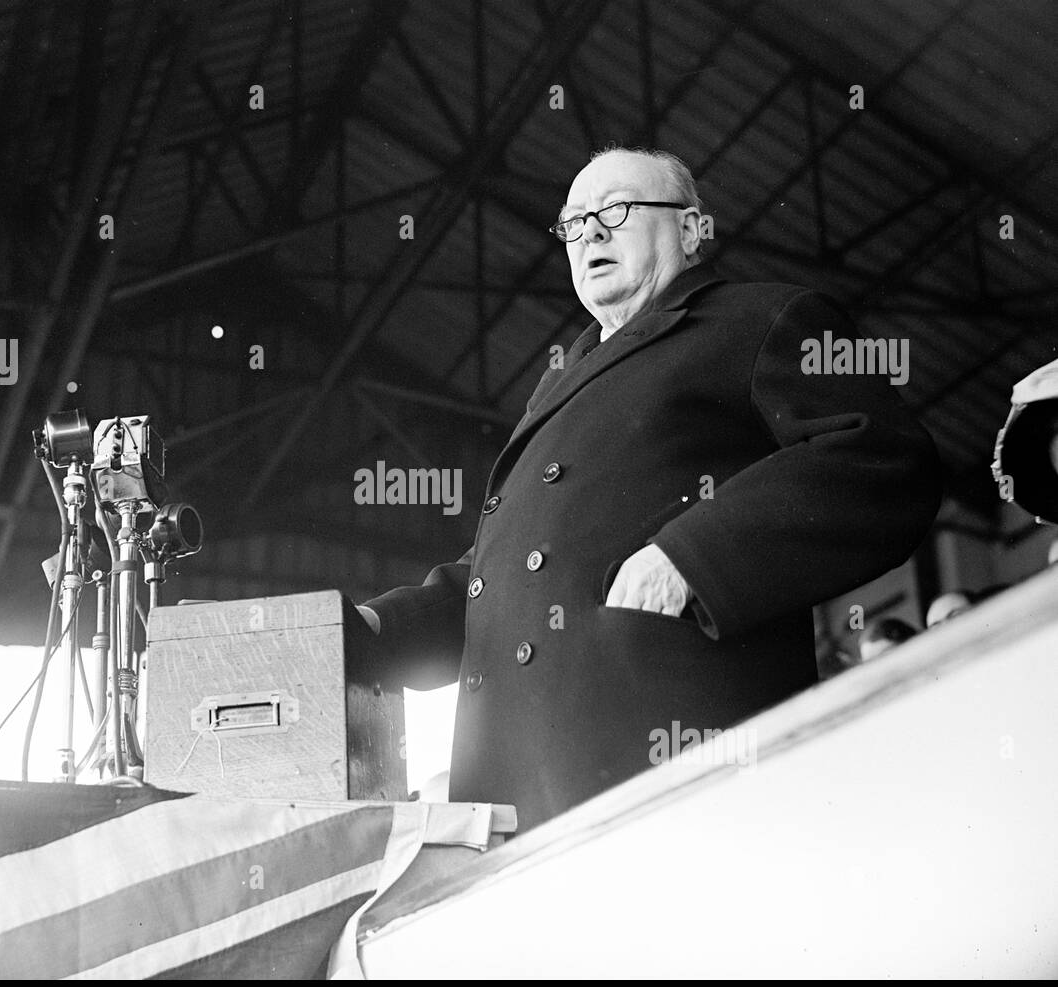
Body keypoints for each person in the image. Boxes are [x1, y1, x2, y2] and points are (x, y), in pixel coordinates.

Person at [356, 146, 942, 831]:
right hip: (511, 801)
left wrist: (692, 559)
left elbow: (881, 455)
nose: (591, 234)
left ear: (692, 231)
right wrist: (371, 629)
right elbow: (495, 581)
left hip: (667, 772)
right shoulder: (552, 389)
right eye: (574, 222)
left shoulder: (758, 320)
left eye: (618, 210)